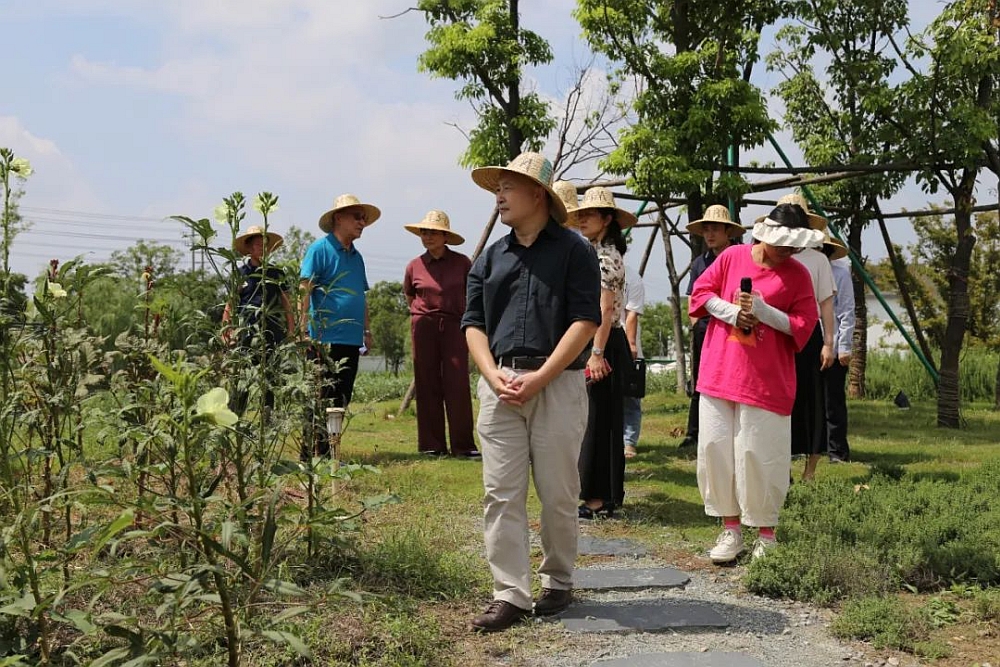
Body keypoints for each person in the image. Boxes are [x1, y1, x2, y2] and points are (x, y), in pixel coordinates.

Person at [462, 151, 601, 632]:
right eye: (496, 187)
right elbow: (473, 324)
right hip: (498, 385)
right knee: (500, 492)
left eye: (508, 187)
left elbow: (586, 320)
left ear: (537, 194)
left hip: (557, 385)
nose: (498, 196)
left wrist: (541, 376)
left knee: (559, 491)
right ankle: (511, 594)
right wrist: (490, 373)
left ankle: (558, 581)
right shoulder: (491, 257)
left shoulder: (574, 251)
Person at [689, 203, 823, 563]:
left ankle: (766, 533)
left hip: (767, 381)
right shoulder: (732, 257)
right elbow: (700, 295)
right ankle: (730, 529)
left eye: (794, 247)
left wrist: (766, 313)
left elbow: (804, 326)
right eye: (784, 245)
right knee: (716, 450)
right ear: (765, 236)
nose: (789, 252)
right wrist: (733, 312)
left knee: (760, 454)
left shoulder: (798, 275)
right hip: (720, 372)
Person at [572, 186, 637, 519]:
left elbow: (605, 307)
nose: (582, 218)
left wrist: (596, 353)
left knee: (597, 421)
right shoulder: (595, 251)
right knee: (596, 418)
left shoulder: (605, 256)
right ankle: (603, 495)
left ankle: (598, 498)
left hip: (603, 340)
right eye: (580, 213)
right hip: (599, 339)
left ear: (607, 219)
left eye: (590, 214)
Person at [299, 194, 378, 460]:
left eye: (364, 218)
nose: (362, 222)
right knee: (319, 394)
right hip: (323, 337)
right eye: (357, 217)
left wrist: (366, 330)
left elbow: (361, 295)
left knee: (341, 396)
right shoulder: (320, 249)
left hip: (350, 338)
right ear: (338, 218)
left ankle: (330, 450)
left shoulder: (357, 257)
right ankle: (310, 452)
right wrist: (303, 329)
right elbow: (305, 288)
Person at [402, 210, 479, 458]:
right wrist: (423, 315)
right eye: (424, 232)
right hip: (423, 326)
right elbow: (409, 296)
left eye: (433, 232)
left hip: (455, 325)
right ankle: (431, 446)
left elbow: (473, 293)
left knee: (457, 382)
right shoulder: (414, 265)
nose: (428, 236)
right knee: (426, 383)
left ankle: (463, 446)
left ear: (445, 235)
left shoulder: (462, 263)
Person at [773, 194, 835, 482]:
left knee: (812, 401)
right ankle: (781, 466)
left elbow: (826, 304)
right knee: (779, 401)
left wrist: (829, 342)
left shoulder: (818, 260)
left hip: (809, 337)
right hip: (776, 335)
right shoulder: (772, 254)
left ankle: (810, 469)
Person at [679, 205, 745, 451]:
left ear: (728, 231)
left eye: (715, 229)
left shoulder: (739, 257)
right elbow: (692, 295)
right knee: (700, 380)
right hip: (705, 327)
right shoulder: (700, 262)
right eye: (706, 230)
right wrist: (696, 324)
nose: (709, 235)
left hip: (732, 327)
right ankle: (694, 432)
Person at [222, 225, 295, 417]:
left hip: (271, 331)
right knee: (243, 375)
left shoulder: (276, 273)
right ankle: (235, 418)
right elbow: (230, 303)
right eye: (256, 244)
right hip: (246, 332)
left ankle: (267, 419)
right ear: (249, 248)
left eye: (264, 244)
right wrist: (226, 328)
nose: (261, 248)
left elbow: (287, 303)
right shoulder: (240, 273)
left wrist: (291, 330)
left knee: (269, 376)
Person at [821, 232, 855, 463]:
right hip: (809, 343)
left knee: (833, 401)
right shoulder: (803, 271)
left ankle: (837, 450)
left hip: (832, 345)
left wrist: (844, 347)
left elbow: (846, 311)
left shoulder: (840, 274)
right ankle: (813, 445)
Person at [622, 265, 645, 459]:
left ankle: (629, 441)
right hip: (596, 342)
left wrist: (630, 343)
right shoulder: (588, 268)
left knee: (630, 396)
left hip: (624, 342)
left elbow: (632, 313)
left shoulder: (632, 277)